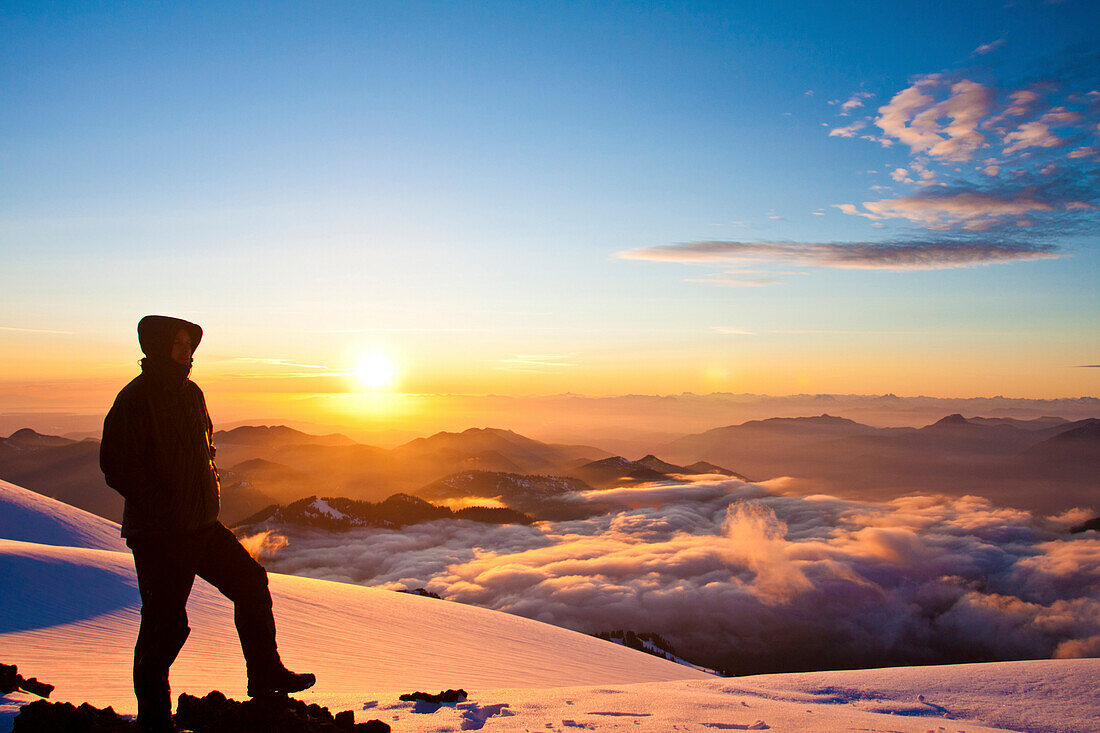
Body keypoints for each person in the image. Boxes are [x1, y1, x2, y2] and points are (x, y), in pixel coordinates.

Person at [100, 315, 314, 733]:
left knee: (251, 584)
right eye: (179, 344)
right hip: (160, 535)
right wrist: (162, 505)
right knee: (165, 624)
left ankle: (266, 676)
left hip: (200, 525)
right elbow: (116, 466)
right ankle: (155, 720)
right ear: (159, 348)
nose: (188, 352)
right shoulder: (134, 399)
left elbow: (203, 451)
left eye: (190, 344)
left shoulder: (192, 394)